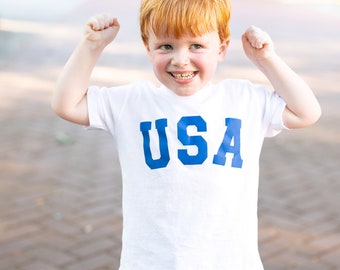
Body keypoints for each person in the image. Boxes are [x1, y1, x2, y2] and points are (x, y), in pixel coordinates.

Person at [51, 0, 321, 269]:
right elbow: (67, 105)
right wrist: (90, 47)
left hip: (230, 262)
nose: (180, 59)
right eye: (165, 46)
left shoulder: (244, 99)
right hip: (151, 262)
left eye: (196, 46)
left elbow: (306, 112)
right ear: (148, 49)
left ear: (222, 48)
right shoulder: (131, 102)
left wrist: (266, 60)